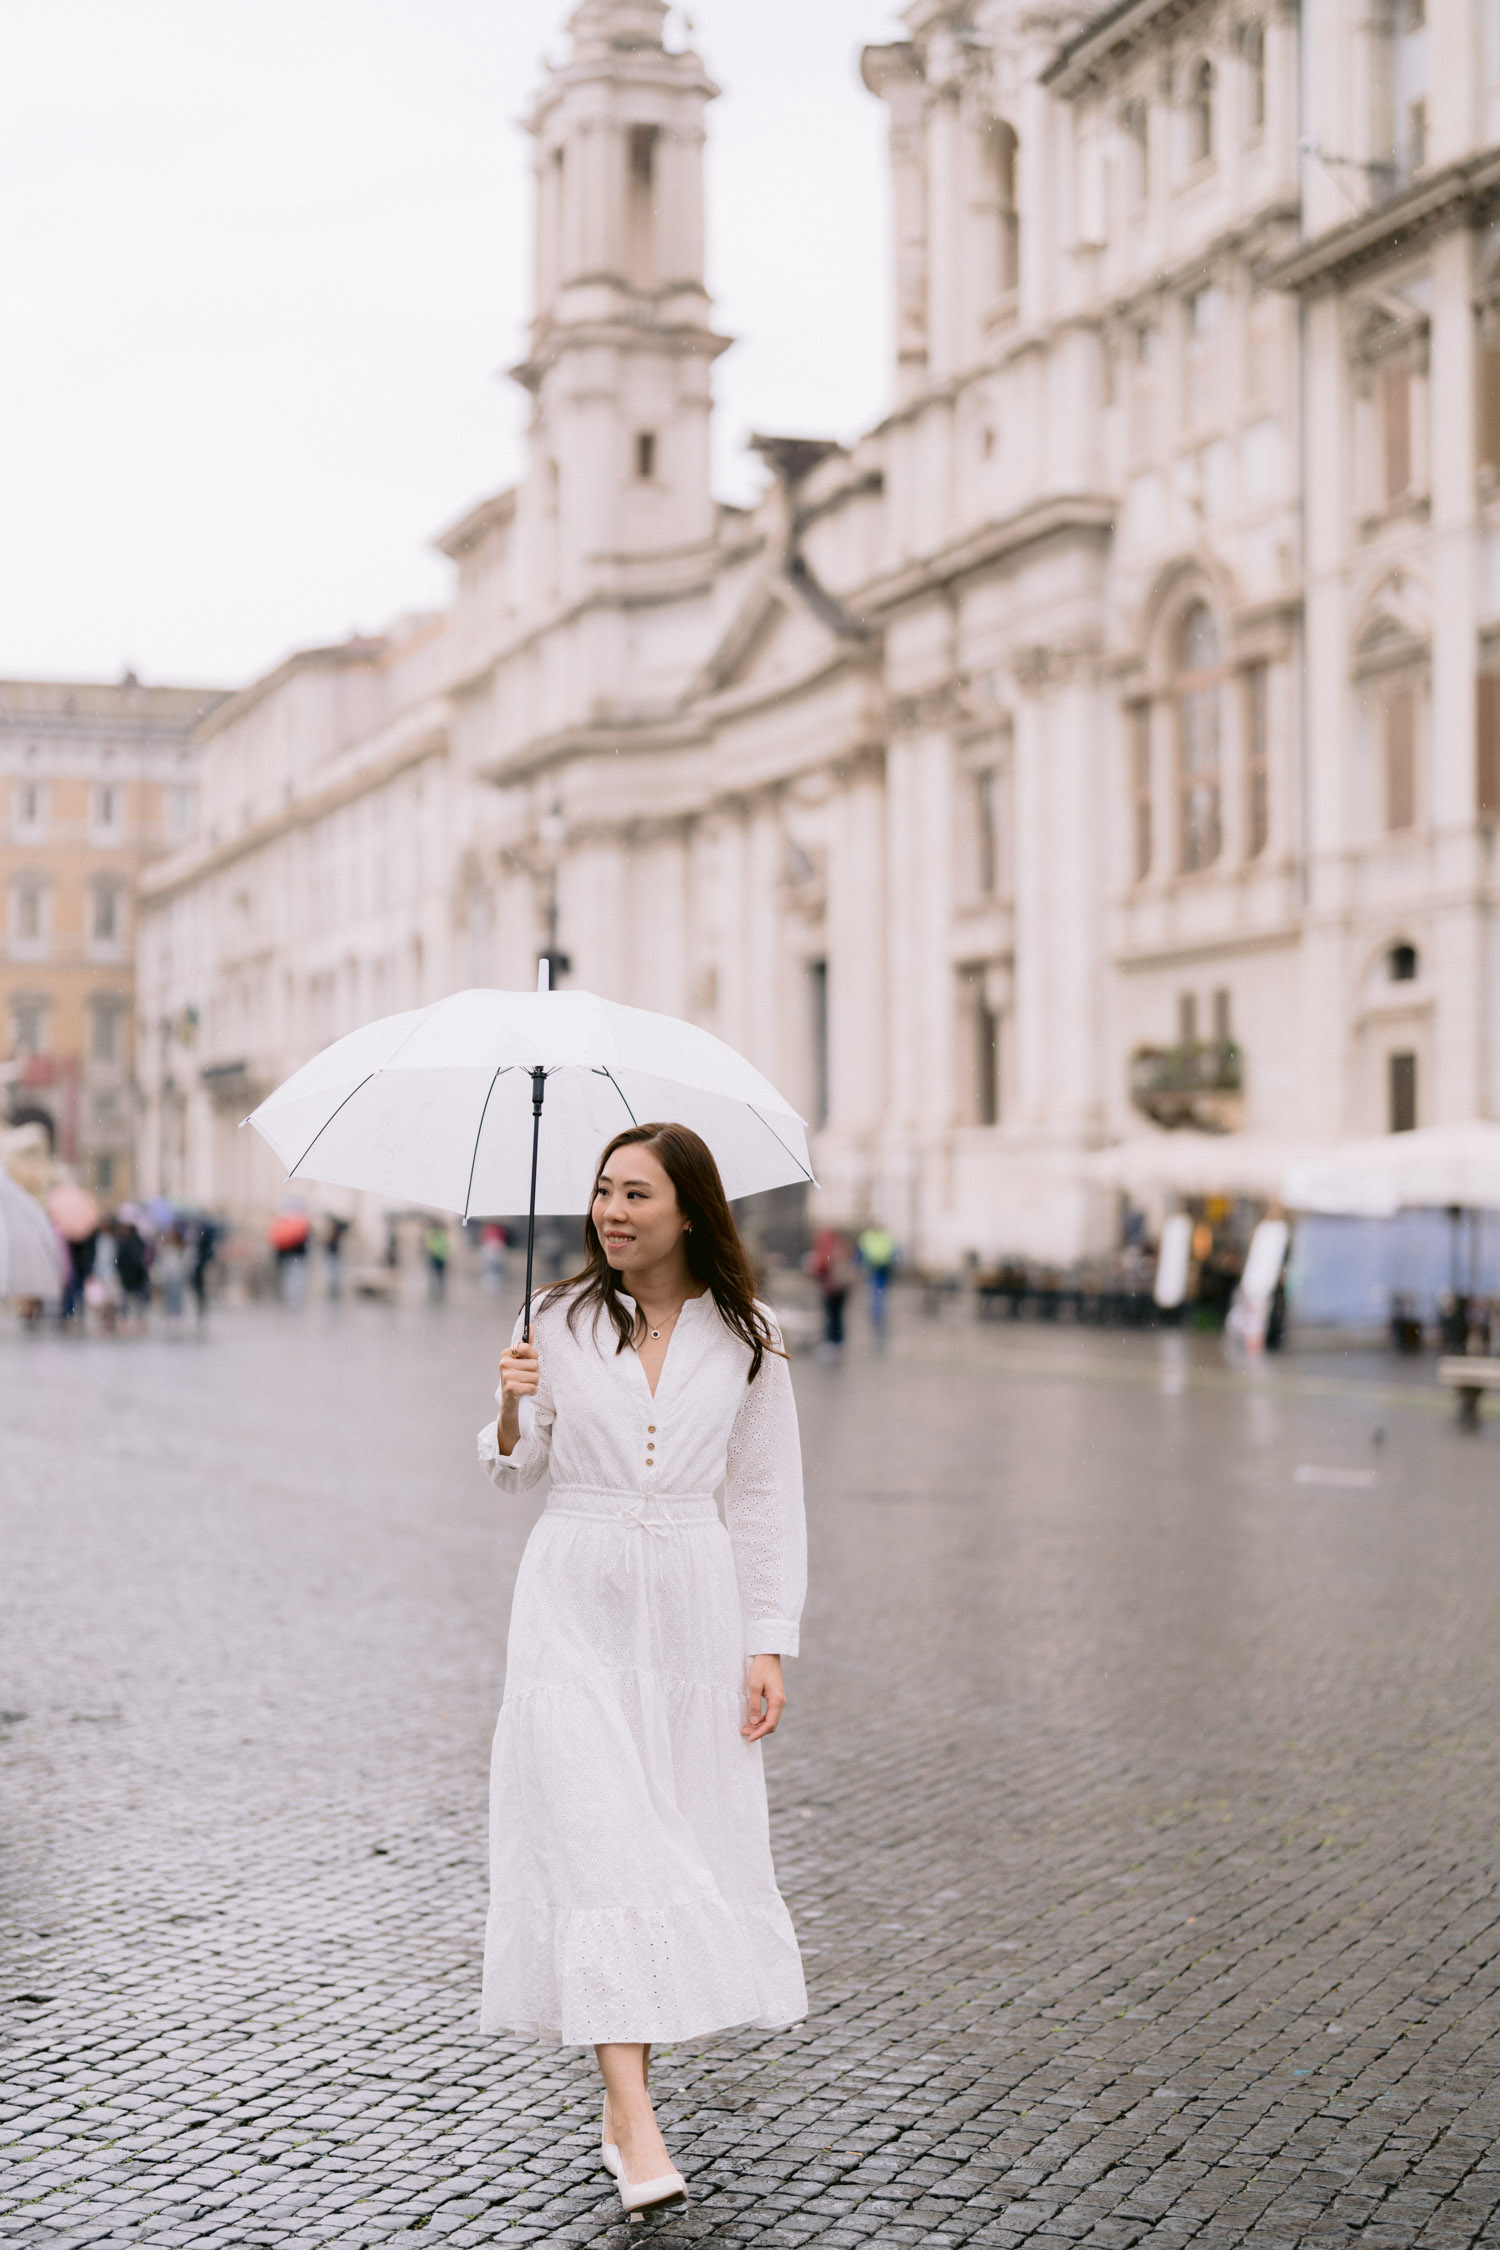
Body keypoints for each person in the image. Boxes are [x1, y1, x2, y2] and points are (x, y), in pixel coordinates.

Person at [479, 1122, 807, 2219]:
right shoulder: (556, 1321)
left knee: (664, 1845)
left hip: (691, 1616)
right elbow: (512, 1473)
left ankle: (625, 2104)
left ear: (688, 1211)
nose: (612, 1212)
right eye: (603, 1193)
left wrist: (767, 1639)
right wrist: (516, 1401)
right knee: (600, 1839)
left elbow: (763, 1499)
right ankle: (638, 2120)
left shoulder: (750, 1337)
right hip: (572, 1602)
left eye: (635, 1195)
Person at [805, 1225, 854, 1357]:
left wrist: (812, 1268)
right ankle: (838, 1341)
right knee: (838, 1315)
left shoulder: (826, 1249)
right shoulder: (841, 1247)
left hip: (831, 1288)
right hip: (842, 1287)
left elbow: (821, 1266)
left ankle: (832, 1342)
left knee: (831, 1315)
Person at [856, 1221, 897, 1344]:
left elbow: (860, 1252)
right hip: (882, 1267)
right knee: (880, 1291)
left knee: (874, 1290)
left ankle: (876, 1312)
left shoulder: (867, 1237)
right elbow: (893, 1252)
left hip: (874, 1267)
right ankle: (878, 1312)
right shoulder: (885, 1236)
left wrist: (857, 1264)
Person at [424, 1220, 450, 1301]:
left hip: (436, 1256)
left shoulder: (432, 1234)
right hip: (439, 1256)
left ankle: (436, 1287)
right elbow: (446, 1245)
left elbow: (429, 1244)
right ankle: (438, 1287)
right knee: (439, 1273)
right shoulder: (441, 1234)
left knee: (435, 1273)